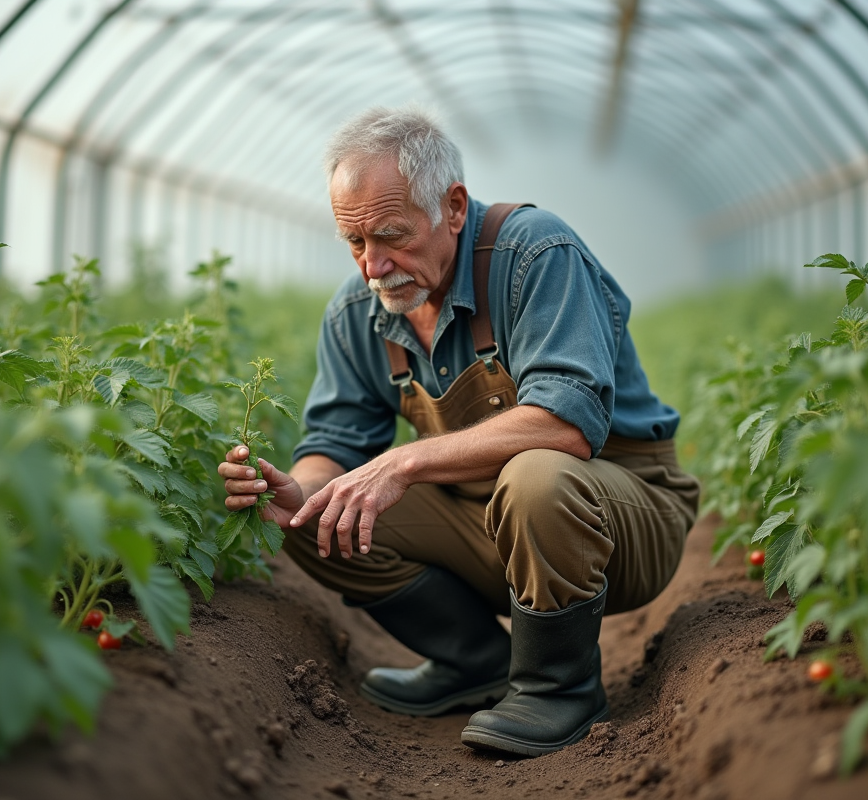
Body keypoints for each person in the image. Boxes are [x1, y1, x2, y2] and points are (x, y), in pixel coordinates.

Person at [218, 106, 699, 757]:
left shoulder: (536, 256)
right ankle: (476, 662)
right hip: (486, 516)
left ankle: (561, 688)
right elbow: (333, 443)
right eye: (355, 243)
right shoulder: (359, 313)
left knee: (536, 476)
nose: (372, 266)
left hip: (614, 516)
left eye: (391, 235)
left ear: (452, 206)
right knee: (317, 516)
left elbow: (565, 427)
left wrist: (404, 463)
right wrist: (299, 489)